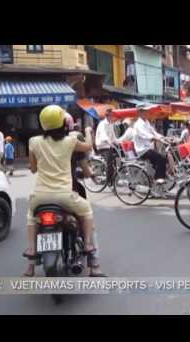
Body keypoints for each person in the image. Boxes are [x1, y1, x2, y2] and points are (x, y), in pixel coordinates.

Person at [22, 105, 105, 277]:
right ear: (66, 124)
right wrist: (89, 131)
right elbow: (88, 147)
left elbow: (33, 169)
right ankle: (90, 249)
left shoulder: (34, 142)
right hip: (65, 196)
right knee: (87, 211)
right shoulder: (72, 141)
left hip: (40, 197)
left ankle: (31, 251)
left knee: (31, 217)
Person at [133, 106, 168, 184]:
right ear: (139, 113)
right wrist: (155, 138)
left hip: (148, 148)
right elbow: (144, 134)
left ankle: (156, 178)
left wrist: (163, 137)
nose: (146, 113)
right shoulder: (138, 124)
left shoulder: (146, 122)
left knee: (163, 159)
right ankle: (158, 179)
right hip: (142, 150)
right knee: (161, 158)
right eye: (143, 112)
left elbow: (153, 132)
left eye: (146, 111)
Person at [95, 108, 119, 186]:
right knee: (109, 162)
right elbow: (103, 136)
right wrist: (109, 142)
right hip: (102, 146)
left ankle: (114, 178)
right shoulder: (102, 124)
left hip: (109, 146)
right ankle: (109, 181)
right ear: (107, 116)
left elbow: (113, 137)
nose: (112, 117)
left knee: (118, 159)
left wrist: (119, 142)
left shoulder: (111, 124)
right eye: (111, 115)